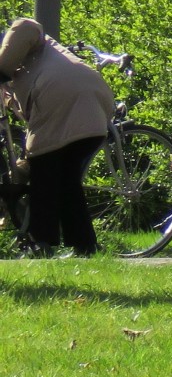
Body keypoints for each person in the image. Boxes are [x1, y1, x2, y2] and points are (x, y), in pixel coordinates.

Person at [0, 19, 117, 255]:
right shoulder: (46, 56)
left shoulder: (21, 31)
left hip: (63, 103)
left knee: (44, 175)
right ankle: (85, 245)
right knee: (67, 181)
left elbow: (27, 29)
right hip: (95, 107)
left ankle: (41, 242)